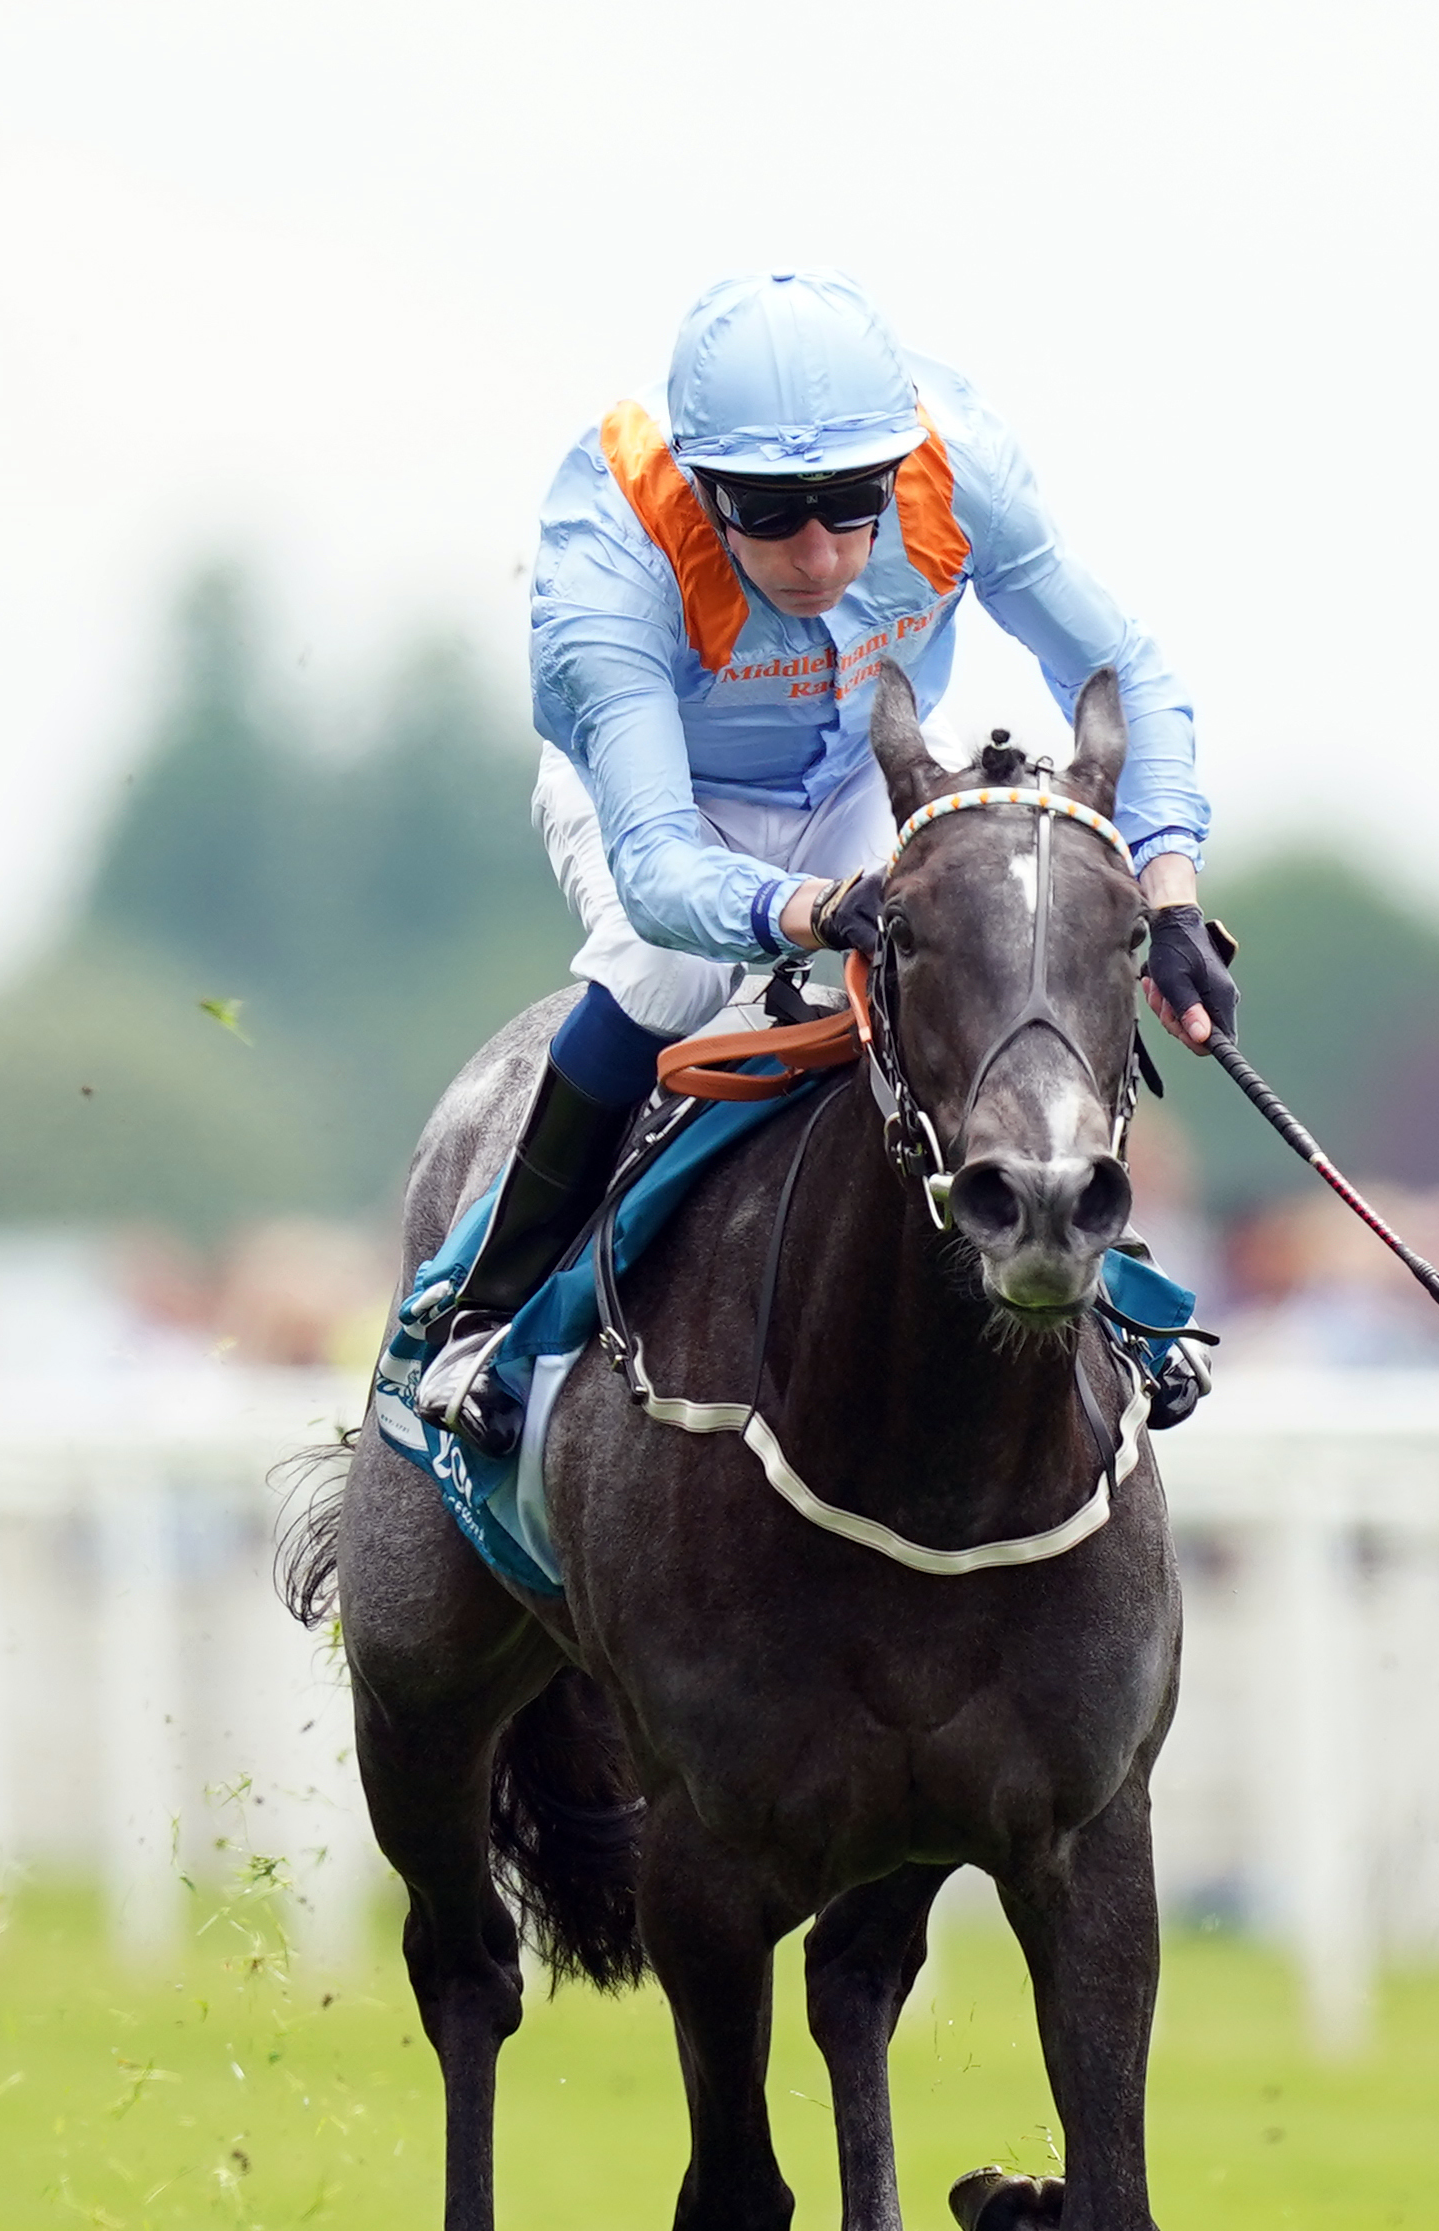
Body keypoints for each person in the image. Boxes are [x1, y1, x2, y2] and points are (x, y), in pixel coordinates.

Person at [418, 269, 1237, 1449]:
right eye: (769, 513)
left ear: (893, 465)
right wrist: (808, 907)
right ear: (706, 489)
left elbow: (1128, 679)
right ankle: (484, 1306)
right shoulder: (609, 554)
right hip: (660, 795)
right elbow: (657, 867)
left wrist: (1171, 895)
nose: (816, 551)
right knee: (671, 976)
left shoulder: (961, 464)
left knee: (987, 923)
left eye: (852, 503)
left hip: (858, 766)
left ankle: (1099, 1262)